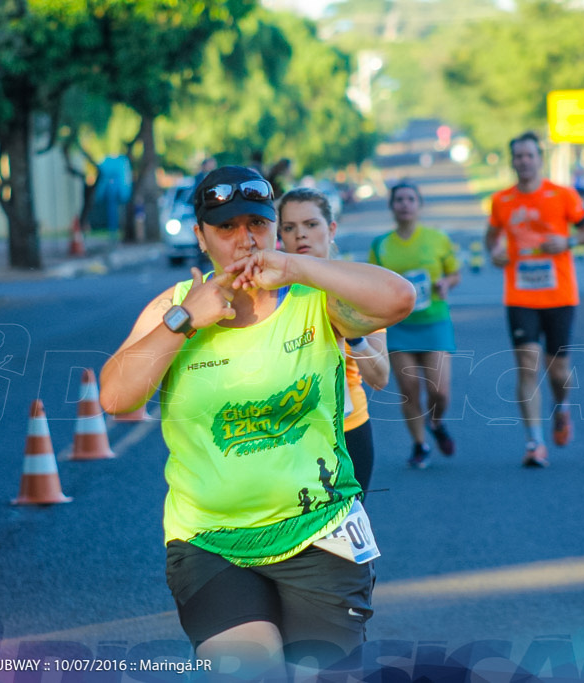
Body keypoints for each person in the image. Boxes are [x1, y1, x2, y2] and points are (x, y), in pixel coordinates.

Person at [99, 165, 415, 676]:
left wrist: (294, 268)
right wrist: (184, 321)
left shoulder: (317, 300)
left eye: (258, 224)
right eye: (226, 228)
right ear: (200, 237)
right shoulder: (174, 307)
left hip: (320, 533)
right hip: (208, 541)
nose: (245, 240)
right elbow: (114, 396)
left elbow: (400, 299)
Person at [485, 131, 584, 468]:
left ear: (539, 159)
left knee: (559, 371)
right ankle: (534, 442)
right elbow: (491, 237)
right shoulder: (502, 201)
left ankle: (561, 408)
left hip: (560, 295)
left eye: (528, 155)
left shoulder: (562, 195)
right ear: (512, 161)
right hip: (519, 295)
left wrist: (567, 243)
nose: (523, 161)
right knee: (527, 367)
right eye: (517, 156)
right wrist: (495, 253)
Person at [278, 187, 390, 498]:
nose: (300, 235)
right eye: (289, 228)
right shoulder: (269, 293)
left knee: (342, 542)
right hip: (286, 434)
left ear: (331, 229)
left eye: (311, 225)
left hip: (347, 430)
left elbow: (380, 377)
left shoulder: (357, 289)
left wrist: (354, 334)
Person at [368, 182, 461, 470]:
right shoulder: (381, 245)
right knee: (409, 389)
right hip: (399, 326)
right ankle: (420, 444)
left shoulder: (436, 239)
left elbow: (454, 273)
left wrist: (445, 283)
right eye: (399, 200)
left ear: (419, 205)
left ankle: (436, 422)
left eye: (410, 199)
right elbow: (374, 281)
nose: (405, 204)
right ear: (392, 206)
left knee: (439, 392)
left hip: (434, 322)